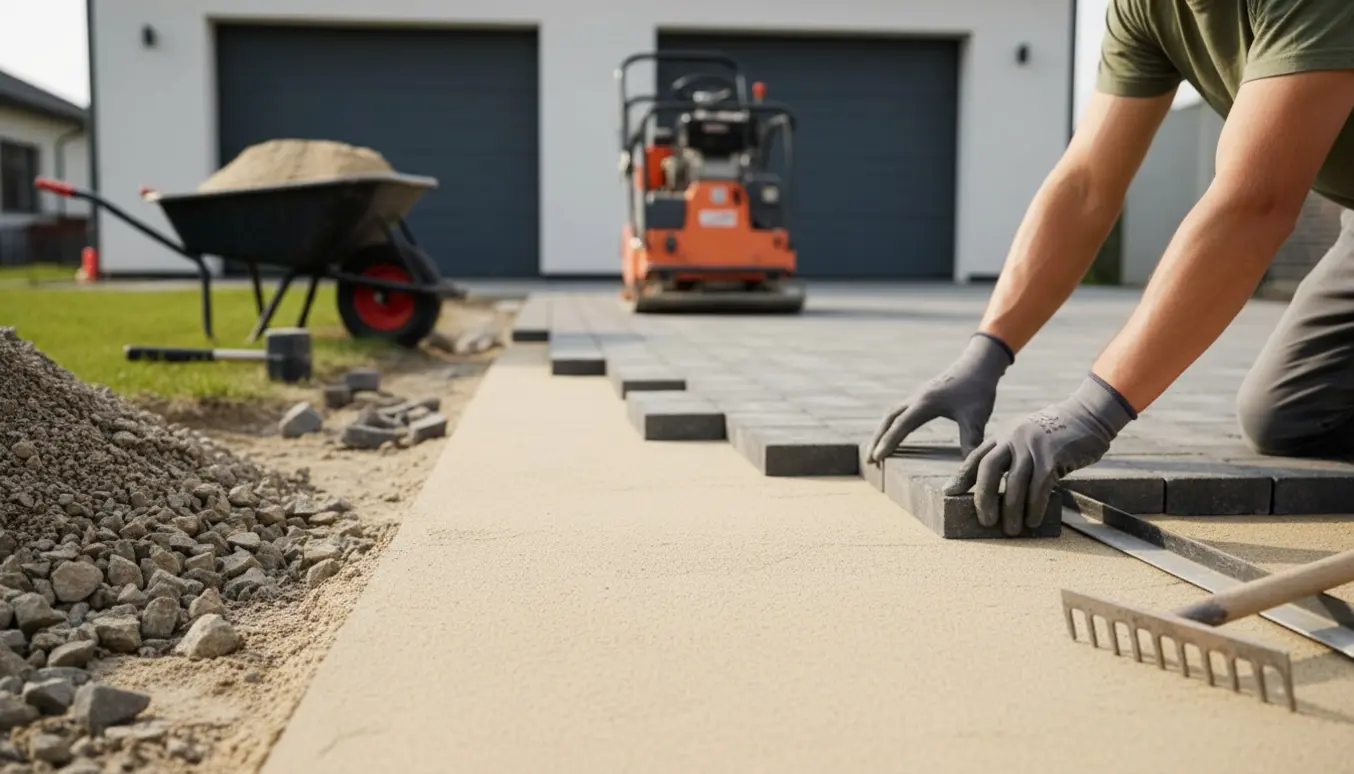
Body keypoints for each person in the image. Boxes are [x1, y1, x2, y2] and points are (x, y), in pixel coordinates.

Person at [866, 0, 1354, 537]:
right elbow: (1086, 186)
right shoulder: (1144, 8)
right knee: (1291, 415)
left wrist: (1094, 411)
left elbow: (1255, 204)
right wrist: (985, 354)